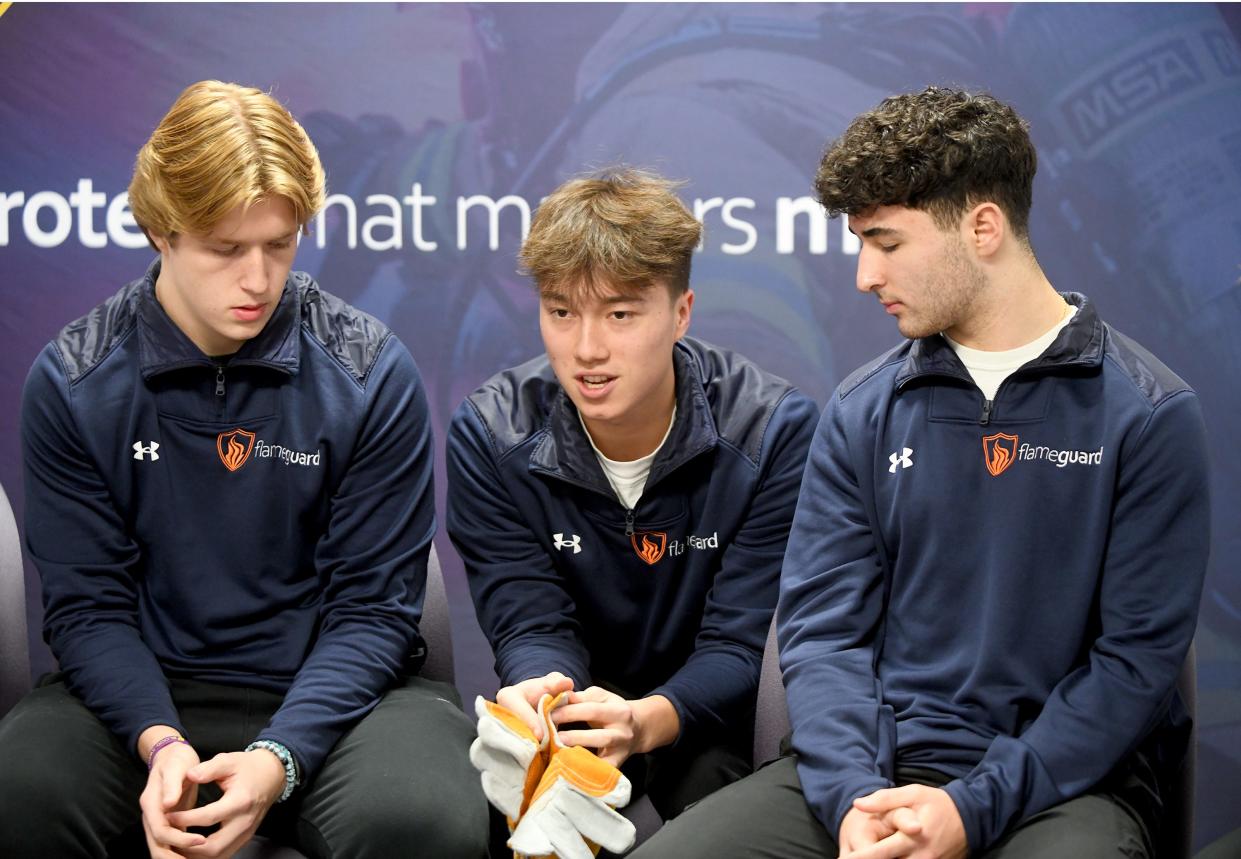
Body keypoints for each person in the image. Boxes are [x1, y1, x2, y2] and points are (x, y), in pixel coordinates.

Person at [630, 86, 1210, 858]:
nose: (864, 273)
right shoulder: (861, 409)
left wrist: (969, 808)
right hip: (867, 778)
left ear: (981, 227)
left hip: (1062, 791)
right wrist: (853, 799)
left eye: (886, 241)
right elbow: (821, 633)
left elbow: (1132, 668)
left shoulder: (1148, 413)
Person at [0, 80, 488, 859]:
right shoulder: (74, 380)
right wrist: (159, 746)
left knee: (425, 820)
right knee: (14, 797)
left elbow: (374, 610)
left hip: (345, 700)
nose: (258, 280)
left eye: (280, 244)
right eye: (226, 249)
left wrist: (278, 756)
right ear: (162, 230)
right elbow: (88, 608)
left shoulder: (370, 371)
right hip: (143, 698)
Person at [446, 169, 819, 830]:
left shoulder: (771, 431)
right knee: (480, 822)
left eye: (619, 313)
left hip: (708, 723)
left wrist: (644, 719)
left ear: (680, 313)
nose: (587, 349)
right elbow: (530, 620)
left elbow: (740, 644)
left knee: (718, 804)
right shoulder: (489, 433)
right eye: (560, 311)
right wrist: (548, 694)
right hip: (571, 716)